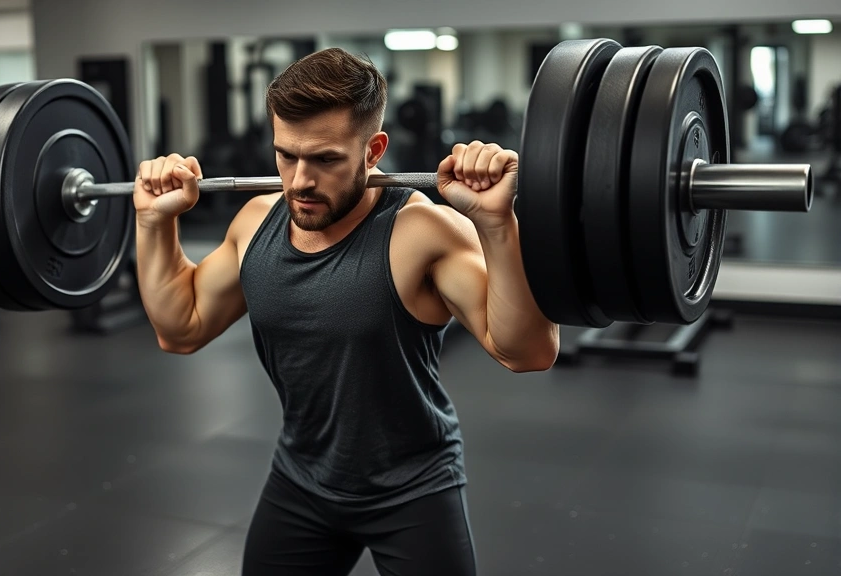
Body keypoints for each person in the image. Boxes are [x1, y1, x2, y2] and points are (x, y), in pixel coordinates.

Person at [134, 48, 559, 576]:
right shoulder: (257, 221)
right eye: (286, 156)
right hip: (302, 478)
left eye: (326, 159)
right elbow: (182, 328)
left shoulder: (422, 232)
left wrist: (497, 226)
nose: (299, 181)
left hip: (412, 488)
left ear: (373, 149)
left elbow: (528, 352)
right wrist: (154, 223)